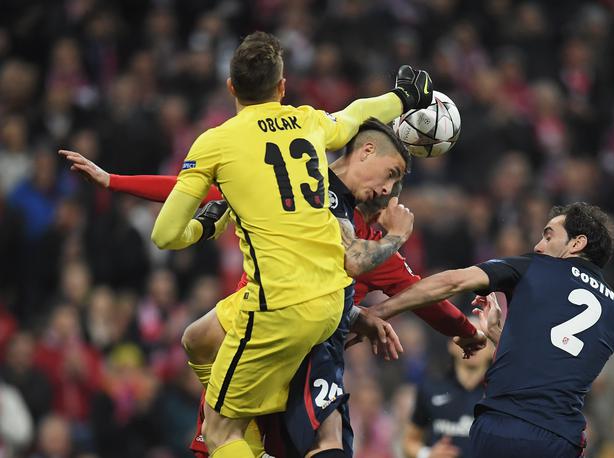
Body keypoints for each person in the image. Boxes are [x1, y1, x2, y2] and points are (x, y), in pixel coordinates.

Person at [59, 120, 483, 457]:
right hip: (265, 326)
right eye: (389, 178)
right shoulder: (303, 180)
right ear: (366, 152)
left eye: (393, 188)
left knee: (273, 429)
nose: (388, 190)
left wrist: (462, 330)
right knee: (207, 361)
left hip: (284, 337)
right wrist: (115, 181)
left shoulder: (369, 241)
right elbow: (196, 189)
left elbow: (425, 294)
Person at [144, 30, 433, 457]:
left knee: (220, 431)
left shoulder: (216, 142)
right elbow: (357, 113)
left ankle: (250, 446)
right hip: (331, 299)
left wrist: (203, 228)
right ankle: (255, 440)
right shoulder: (307, 121)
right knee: (198, 338)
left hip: (278, 304)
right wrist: (405, 98)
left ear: (231, 88)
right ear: (281, 87)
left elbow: (164, 235)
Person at [371, 202, 614, 458]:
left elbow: (452, 282)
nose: (538, 246)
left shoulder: (535, 266)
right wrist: (500, 336)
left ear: (577, 243)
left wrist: (380, 312)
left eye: (549, 236)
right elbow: (555, 364)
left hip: (505, 426)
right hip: (562, 439)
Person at [403, 317, 494, 458]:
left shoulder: (500, 395)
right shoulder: (431, 389)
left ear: (492, 350)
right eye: (467, 337)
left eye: (481, 339)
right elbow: (409, 441)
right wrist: (427, 454)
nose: (474, 344)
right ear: (452, 345)